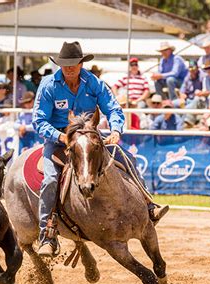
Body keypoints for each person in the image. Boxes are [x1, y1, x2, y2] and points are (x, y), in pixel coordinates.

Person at [33, 41, 168, 256]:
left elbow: (113, 108)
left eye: (73, 64)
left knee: (127, 158)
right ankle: (47, 233)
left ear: (81, 64)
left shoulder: (93, 83)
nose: (69, 68)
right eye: (65, 64)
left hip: (89, 135)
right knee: (50, 178)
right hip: (60, 138)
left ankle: (148, 204)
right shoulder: (49, 85)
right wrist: (61, 136)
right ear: (59, 65)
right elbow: (39, 121)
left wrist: (115, 130)